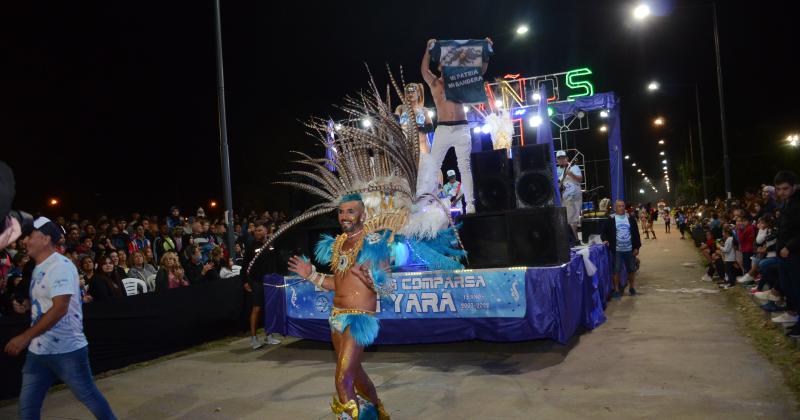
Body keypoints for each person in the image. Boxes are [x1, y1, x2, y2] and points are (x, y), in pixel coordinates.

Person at [288, 195, 390, 420]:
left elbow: (386, 285)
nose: (344, 216)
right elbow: (337, 283)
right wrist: (311, 275)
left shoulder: (372, 242)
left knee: (342, 378)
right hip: (336, 317)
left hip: (359, 319)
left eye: (350, 211)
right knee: (356, 374)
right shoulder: (338, 243)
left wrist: (372, 279)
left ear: (362, 214)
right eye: (341, 212)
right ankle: (379, 412)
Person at [4, 217, 115, 419]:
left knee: (89, 396)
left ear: (46, 239)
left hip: (68, 351)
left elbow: (60, 308)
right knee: (27, 408)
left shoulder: (61, 266)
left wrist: (24, 337)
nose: (25, 240)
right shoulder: (39, 267)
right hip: (38, 352)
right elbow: (47, 302)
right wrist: (28, 305)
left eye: (31, 236)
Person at [421, 38, 493, 214]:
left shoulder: (461, 80)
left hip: (462, 127)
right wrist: (427, 50)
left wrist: (487, 52)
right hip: (443, 128)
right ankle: (429, 202)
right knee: (433, 166)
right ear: (440, 67)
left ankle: (470, 204)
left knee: (464, 167)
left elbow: (481, 71)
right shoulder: (436, 84)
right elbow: (424, 70)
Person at [242, 221, 281, 349]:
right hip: (256, 281)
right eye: (256, 230)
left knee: (269, 308)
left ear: (266, 231)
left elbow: (276, 261)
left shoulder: (272, 243)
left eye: (260, 230)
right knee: (257, 308)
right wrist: (245, 282)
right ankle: (253, 338)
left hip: (270, 281)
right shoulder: (251, 245)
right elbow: (245, 266)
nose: (257, 232)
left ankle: (268, 335)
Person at [773, 171, 800, 337]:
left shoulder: (797, 203)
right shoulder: (786, 203)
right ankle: (792, 315)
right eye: (778, 189)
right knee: (788, 286)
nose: (781, 192)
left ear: (795, 186)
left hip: (794, 253)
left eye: (785, 188)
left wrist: (788, 247)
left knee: (797, 288)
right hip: (784, 253)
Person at [601, 200, 642, 299]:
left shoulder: (630, 218)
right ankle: (616, 290)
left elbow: (636, 234)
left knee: (632, 270)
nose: (621, 208)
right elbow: (603, 231)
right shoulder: (611, 219)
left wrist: (636, 247)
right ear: (615, 208)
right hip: (617, 250)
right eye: (619, 206)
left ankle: (631, 288)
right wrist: (605, 239)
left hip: (629, 249)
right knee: (616, 270)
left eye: (623, 206)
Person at [556, 150, 583, 239]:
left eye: (563, 158)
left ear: (567, 158)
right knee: (566, 219)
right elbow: (557, 184)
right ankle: (573, 239)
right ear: (557, 160)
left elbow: (580, 179)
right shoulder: (556, 170)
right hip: (563, 199)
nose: (561, 160)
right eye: (559, 158)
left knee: (572, 219)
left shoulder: (574, 167)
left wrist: (570, 174)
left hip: (574, 197)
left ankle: (575, 239)